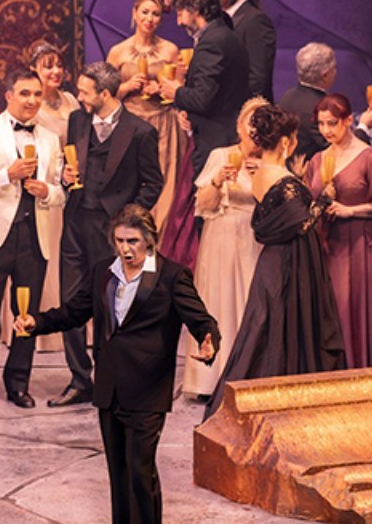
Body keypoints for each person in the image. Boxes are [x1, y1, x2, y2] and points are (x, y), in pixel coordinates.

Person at [13, 204, 218, 524]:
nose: (126, 248)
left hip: (148, 387)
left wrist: (208, 340)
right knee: (118, 470)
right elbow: (73, 312)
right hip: (110, 387)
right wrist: (37, 323)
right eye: (120, 241)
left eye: (133, 241)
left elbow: (201, 320)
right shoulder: (103, 273)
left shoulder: (172, 276)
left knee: (140, 469)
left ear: (149, 240)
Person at [204, 104, 345, 420]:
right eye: (293, 138)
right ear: (285, 142)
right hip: (289, 264)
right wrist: (323, 199)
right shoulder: (277, 176)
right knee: (278, 330)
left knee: (272, 329)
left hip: (280, 260)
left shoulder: (265, 173)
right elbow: (302, 223)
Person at [49, 61, 163, 408]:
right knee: (71, 302)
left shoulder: (140, 131)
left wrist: (127, 221)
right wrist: (65, 178)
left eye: (85, 92)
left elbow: (153, 184)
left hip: (112, 232)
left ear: (105, 93)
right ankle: (79, 379)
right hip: (75, 224)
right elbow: (69, 165)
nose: (79, 97)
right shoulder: (77, 120)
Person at [0, 68, 64, 414]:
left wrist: (46, 191)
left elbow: (61, 191)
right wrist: (8, 175)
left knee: (26, 315)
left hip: (34, 237)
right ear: (8, 96)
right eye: (24, 93)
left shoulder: (50, 138)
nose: (32, 100)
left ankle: (18, 384)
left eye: (37, 94)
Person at [0, 41, 81, 354]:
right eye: (48, 66)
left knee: (64, 257)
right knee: (37, 256)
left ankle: (66, 327)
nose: (56, 71)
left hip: (64, 187)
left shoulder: (70, 100)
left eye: (59, 65)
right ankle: (36, 329)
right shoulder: (30, 107)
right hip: (37, 187)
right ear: (33, 70)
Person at [183, 98, 267, 398]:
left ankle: (250, 373)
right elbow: (203, 206)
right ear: (239, 126)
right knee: (219, 301)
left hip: (254, 238)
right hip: (221, 237)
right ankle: (211, 378)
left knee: (249, 303)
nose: (254, 131)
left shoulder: (272, 162)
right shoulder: (220, 156)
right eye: (250, 123)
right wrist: (217, 181)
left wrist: (263, 176)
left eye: (261, 125)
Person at [303, 93, 372, 368]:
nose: (326, 131)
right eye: (321, 124)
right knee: (336, 307)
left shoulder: (368, 157)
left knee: (362, 307)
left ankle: (367, 370)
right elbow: (307, 203)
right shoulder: (317, 160)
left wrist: (350, 210)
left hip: (364, 243)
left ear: (348, 121)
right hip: (330, 245)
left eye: (332, 123)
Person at [105, 0, 190, 252]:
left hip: (163, 125)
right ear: (134, 13)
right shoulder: (118, 52)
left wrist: (161, 88)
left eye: (155, 14)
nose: (149, 18)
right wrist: (126, 86)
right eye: (145, 12)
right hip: (130, 127)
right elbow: (105, 95)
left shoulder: (170, 50)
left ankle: (158, 250)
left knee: (164, 190)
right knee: (131, 186)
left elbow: (180, 89)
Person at [158, 0, 250, 178]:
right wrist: (188, 112)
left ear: (196, 10)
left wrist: (176, 92)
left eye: (180, 14)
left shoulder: (212, 42)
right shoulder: (226, 34)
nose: (179, 22)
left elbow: (202, 98)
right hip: (226, 135)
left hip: (216, 142)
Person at [210, 0, 276, 100]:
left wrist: (226, 103)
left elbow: (258, 78)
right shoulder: (218, 20)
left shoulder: (256, 20)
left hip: (248, 108)